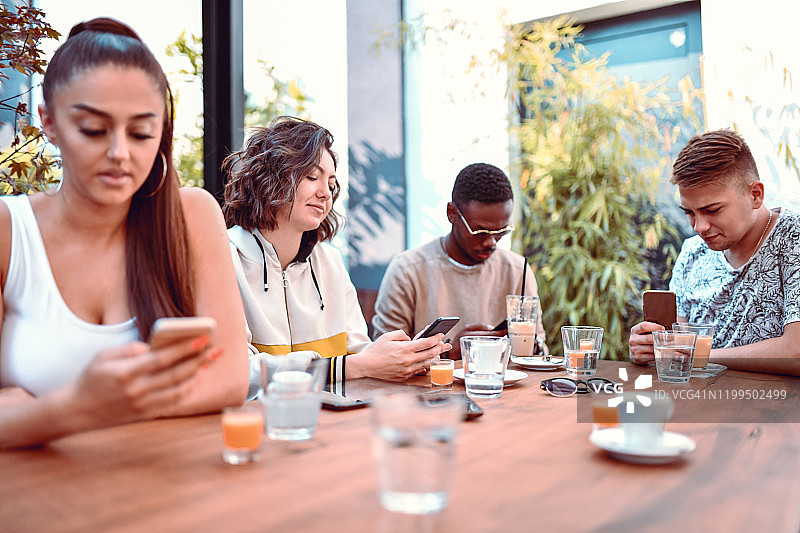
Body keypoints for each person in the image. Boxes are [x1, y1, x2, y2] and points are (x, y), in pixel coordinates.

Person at [0, 18, 249, 448]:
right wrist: (77, 405)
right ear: (49, 122)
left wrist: (45, 413)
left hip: (162, 477)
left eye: (140, 133)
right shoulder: (9, 230)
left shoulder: (191, 215)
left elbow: (229, 379)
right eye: (93, 130)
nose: (119, 153)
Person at [223, 116, 448, 391]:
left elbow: (358, 355)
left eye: (331, 184)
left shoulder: (329, 261)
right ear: (270, 178)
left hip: (334, 414)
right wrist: (353, 366)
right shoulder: (226, 259)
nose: (325, 193)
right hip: (265, 415)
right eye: (311, 177)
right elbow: (239, 371)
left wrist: (399, 358)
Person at [629, 129, 800, 375]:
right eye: (689, 213)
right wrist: (649, 348)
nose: (699, 227)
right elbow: (673, 351)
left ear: (755, 195)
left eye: (712, 210)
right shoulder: (692, 252)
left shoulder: (793, 239)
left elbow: (796, 352)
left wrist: (697, 355)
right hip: (693, 397)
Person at [372, 162, 548, 359]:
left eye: (501, 231)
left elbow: (539, 350)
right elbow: (385, 358)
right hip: (430, 381)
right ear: (452, 213)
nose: (491, 242)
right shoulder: (408, 270)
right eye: (480, 232)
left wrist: (531, 346)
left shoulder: (517, 270)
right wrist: (449, 353)